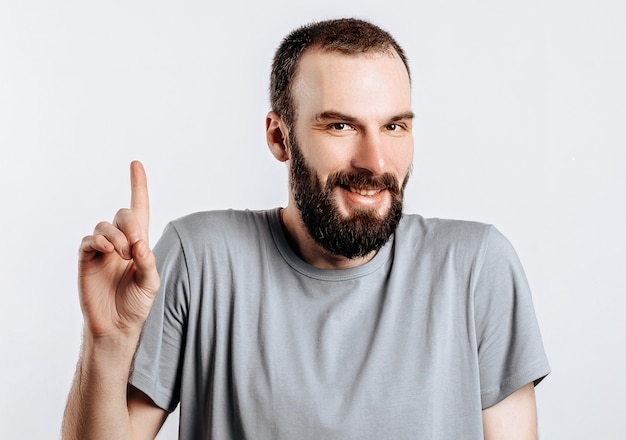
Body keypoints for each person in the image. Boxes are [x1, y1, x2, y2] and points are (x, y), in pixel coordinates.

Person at [62, 18, 550, 439]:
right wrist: (107, 342)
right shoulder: (200, 259)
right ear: (280, 137)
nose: (375, 162)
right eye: (340, 126)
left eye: (395, 127)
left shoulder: (477, 268)